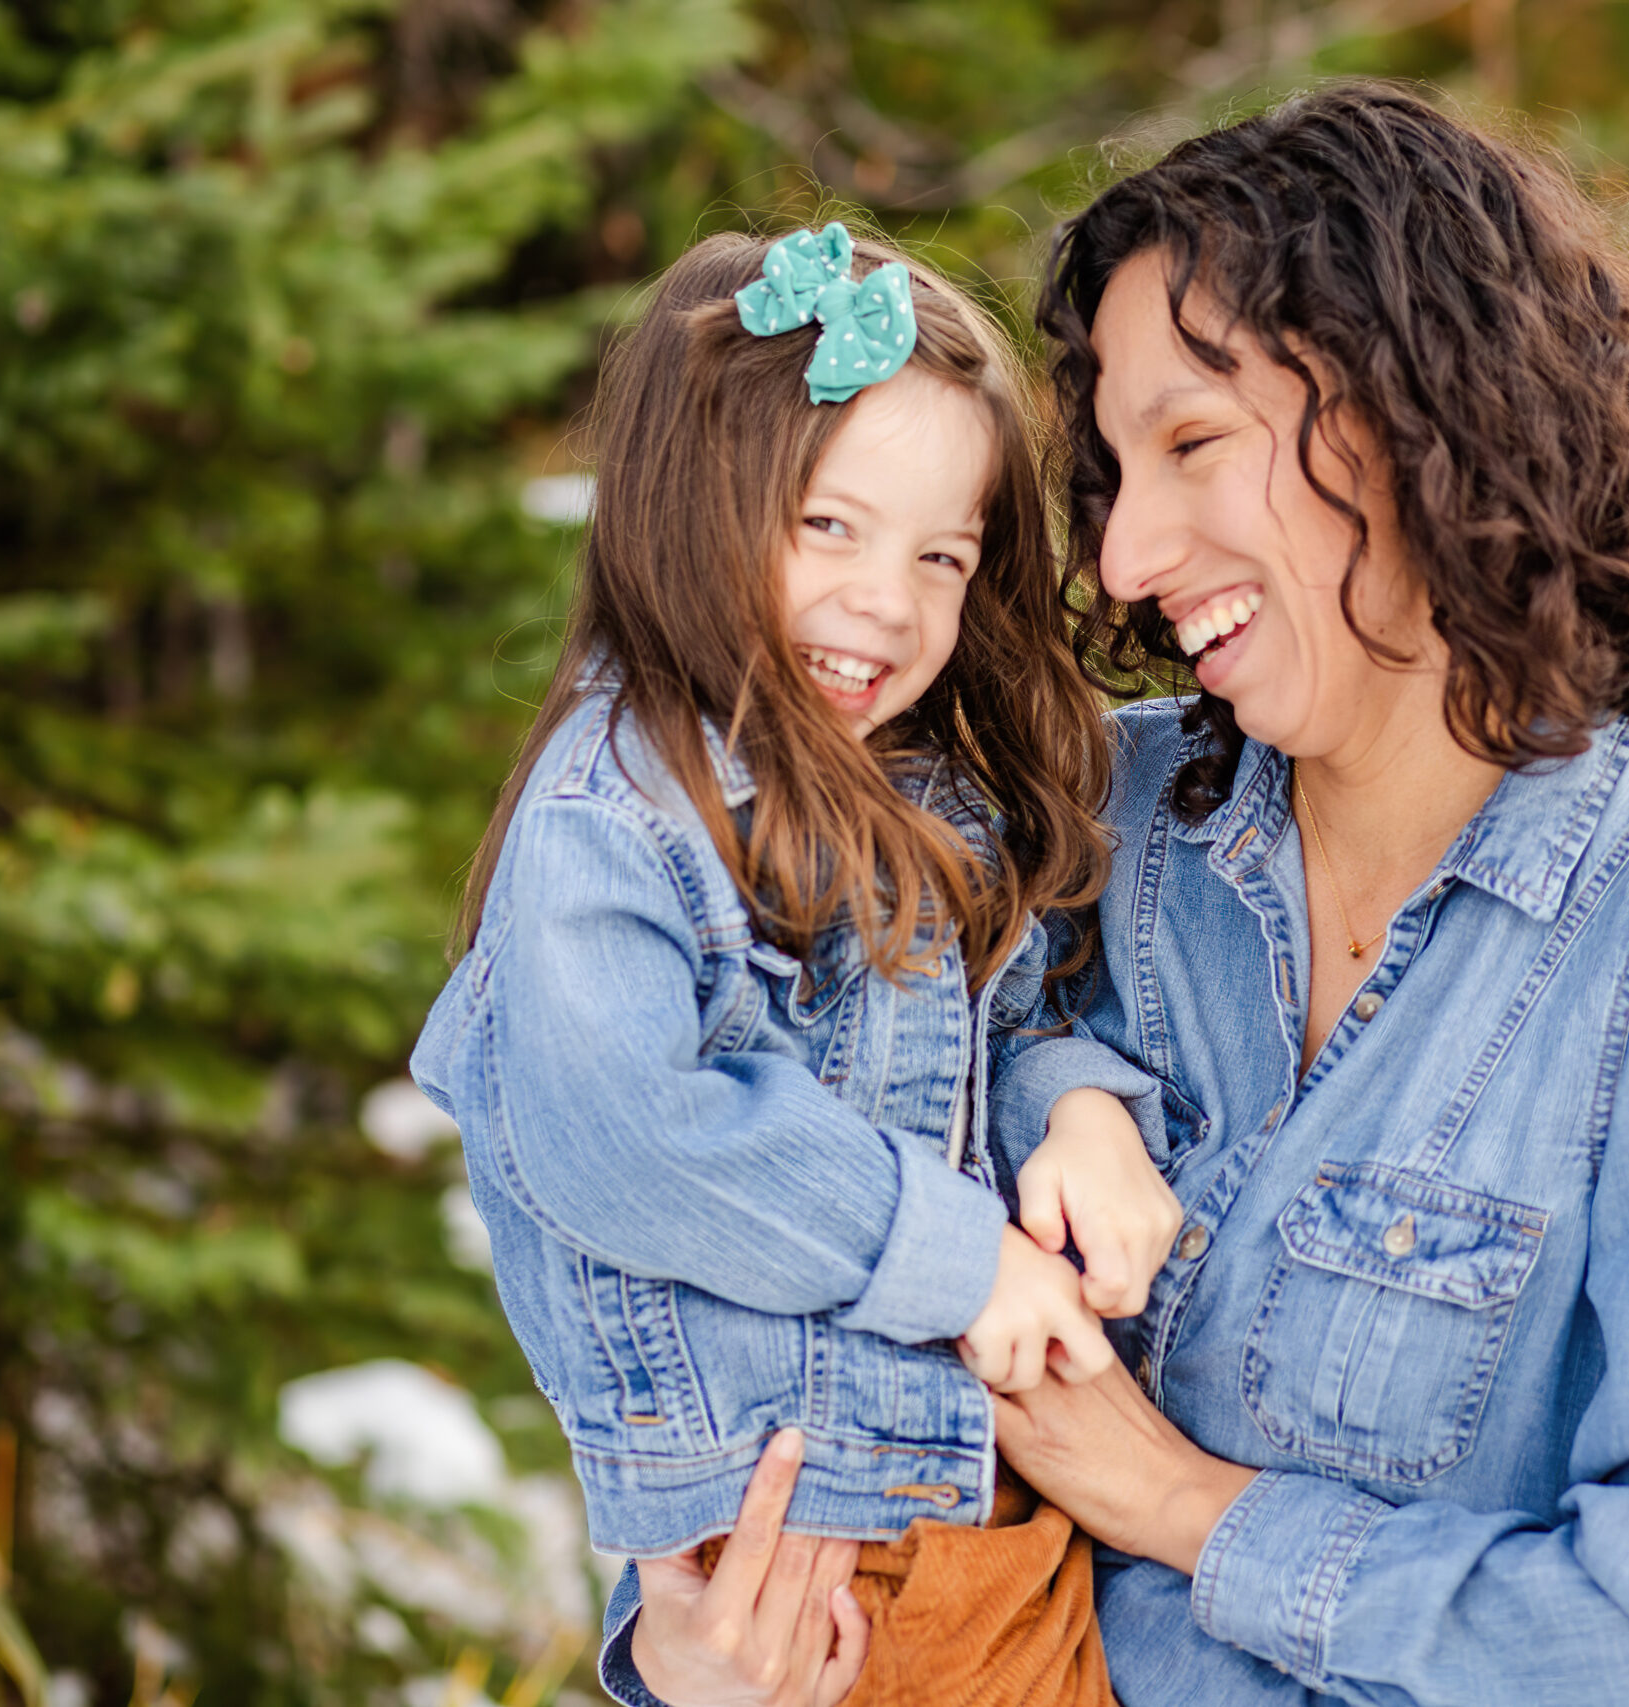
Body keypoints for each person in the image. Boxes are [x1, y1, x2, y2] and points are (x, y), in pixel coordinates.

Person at [630, 81, 1629, 1707]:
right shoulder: (1083, 814)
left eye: (1193, 443)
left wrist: (1185, 1505)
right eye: (1113, 468)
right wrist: (679, 1635)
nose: (1125, 557)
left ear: (1425, 410)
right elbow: (776, 1203)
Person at [409, 223, 1186, 1707]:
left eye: (940, 555)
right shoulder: (614, 816)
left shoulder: (918, 788)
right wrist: (968, 1266)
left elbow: (1000, 1027)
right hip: (806, 1563)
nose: (889, 601)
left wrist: (1081, 1104)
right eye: (829, 526)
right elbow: (633, 1135)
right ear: (688, 505)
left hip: (985, 1526)